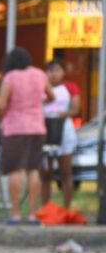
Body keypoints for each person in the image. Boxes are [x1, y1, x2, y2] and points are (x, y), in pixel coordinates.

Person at [0, 47, 55, 225]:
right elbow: (51, 96)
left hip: (14, 128)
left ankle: (15, 214)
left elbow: (1, 104)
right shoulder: (40, 74)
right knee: (33, 169)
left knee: (14, 170)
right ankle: (32, 214)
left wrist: (1, 118)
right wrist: (38, 103)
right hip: (37, 127)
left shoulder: (10, 77)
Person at [41, 59, 80, 209]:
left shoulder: (70, 87)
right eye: (50, 71)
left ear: (63, 72)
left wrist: (60, 114)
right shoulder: (41, 87)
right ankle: (45, 209)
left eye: (57, 70)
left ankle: (65, 209)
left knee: (65, 172)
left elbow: (75, 109)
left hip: (64, 131)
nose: (54, 74)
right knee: (45, 174)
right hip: (45, 131)